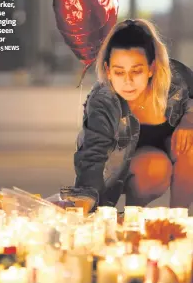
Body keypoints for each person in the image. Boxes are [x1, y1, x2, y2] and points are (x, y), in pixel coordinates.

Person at [72, 18, 193, 211]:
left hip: (169, 154)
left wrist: (189, 120)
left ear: (151, 68)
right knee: (156, 166)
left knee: (191, 144)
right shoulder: (103, 100)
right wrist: (84, 200)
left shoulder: (176, 78)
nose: (128, 81)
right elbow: (92, 154)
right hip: (122, 167)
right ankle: (132, 217)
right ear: (108, 71)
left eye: (136, 71)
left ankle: (178, 219)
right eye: (119, 72)